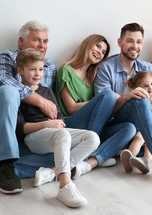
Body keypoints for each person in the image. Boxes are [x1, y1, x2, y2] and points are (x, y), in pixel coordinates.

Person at [0, 20, 57, 194]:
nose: (42, 45)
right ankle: (6, 162)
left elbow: (50, 105)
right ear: (21, 41)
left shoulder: (49, 66)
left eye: (45, 41)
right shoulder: (6, 57)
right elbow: (3, 81)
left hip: (24, 135)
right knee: (9, 91)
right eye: (36, 40)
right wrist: (39, 100)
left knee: (59, 157)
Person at [94, 22, 152, 186]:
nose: (134, 46)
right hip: (119, 125)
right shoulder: (105, 68)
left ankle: (135, 150)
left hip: (146, 125)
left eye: (138, 42)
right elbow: (104, 109)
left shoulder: (147, 67)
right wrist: (128, 97)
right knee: (142, 98)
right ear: (120, 42)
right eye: (130, 41)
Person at [15, 48, 99, 207]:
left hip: (55, 132)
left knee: (93, 137)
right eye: (32, 69)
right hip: (34, 137)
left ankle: (52, 172)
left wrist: (57, 123)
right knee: (63, 136)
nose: (37, 73)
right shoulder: (17, 95)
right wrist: (47, 124)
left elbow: (59, 116)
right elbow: (20, 128)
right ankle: (64, 184)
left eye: (40, 69)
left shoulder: (46, 91)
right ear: (20, 71)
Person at [56, 34, 136, 175]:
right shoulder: (66, 70)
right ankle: (91, 151)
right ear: (87, 44)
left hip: (94, 127)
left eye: (103, 52)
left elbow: (100, 112)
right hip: (71, 125)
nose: (100, 52)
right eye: (98, 46)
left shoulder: (93, 76)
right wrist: (100, 100)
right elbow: (71, 107)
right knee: (109, 95)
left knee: (129, 128)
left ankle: (93, 158)